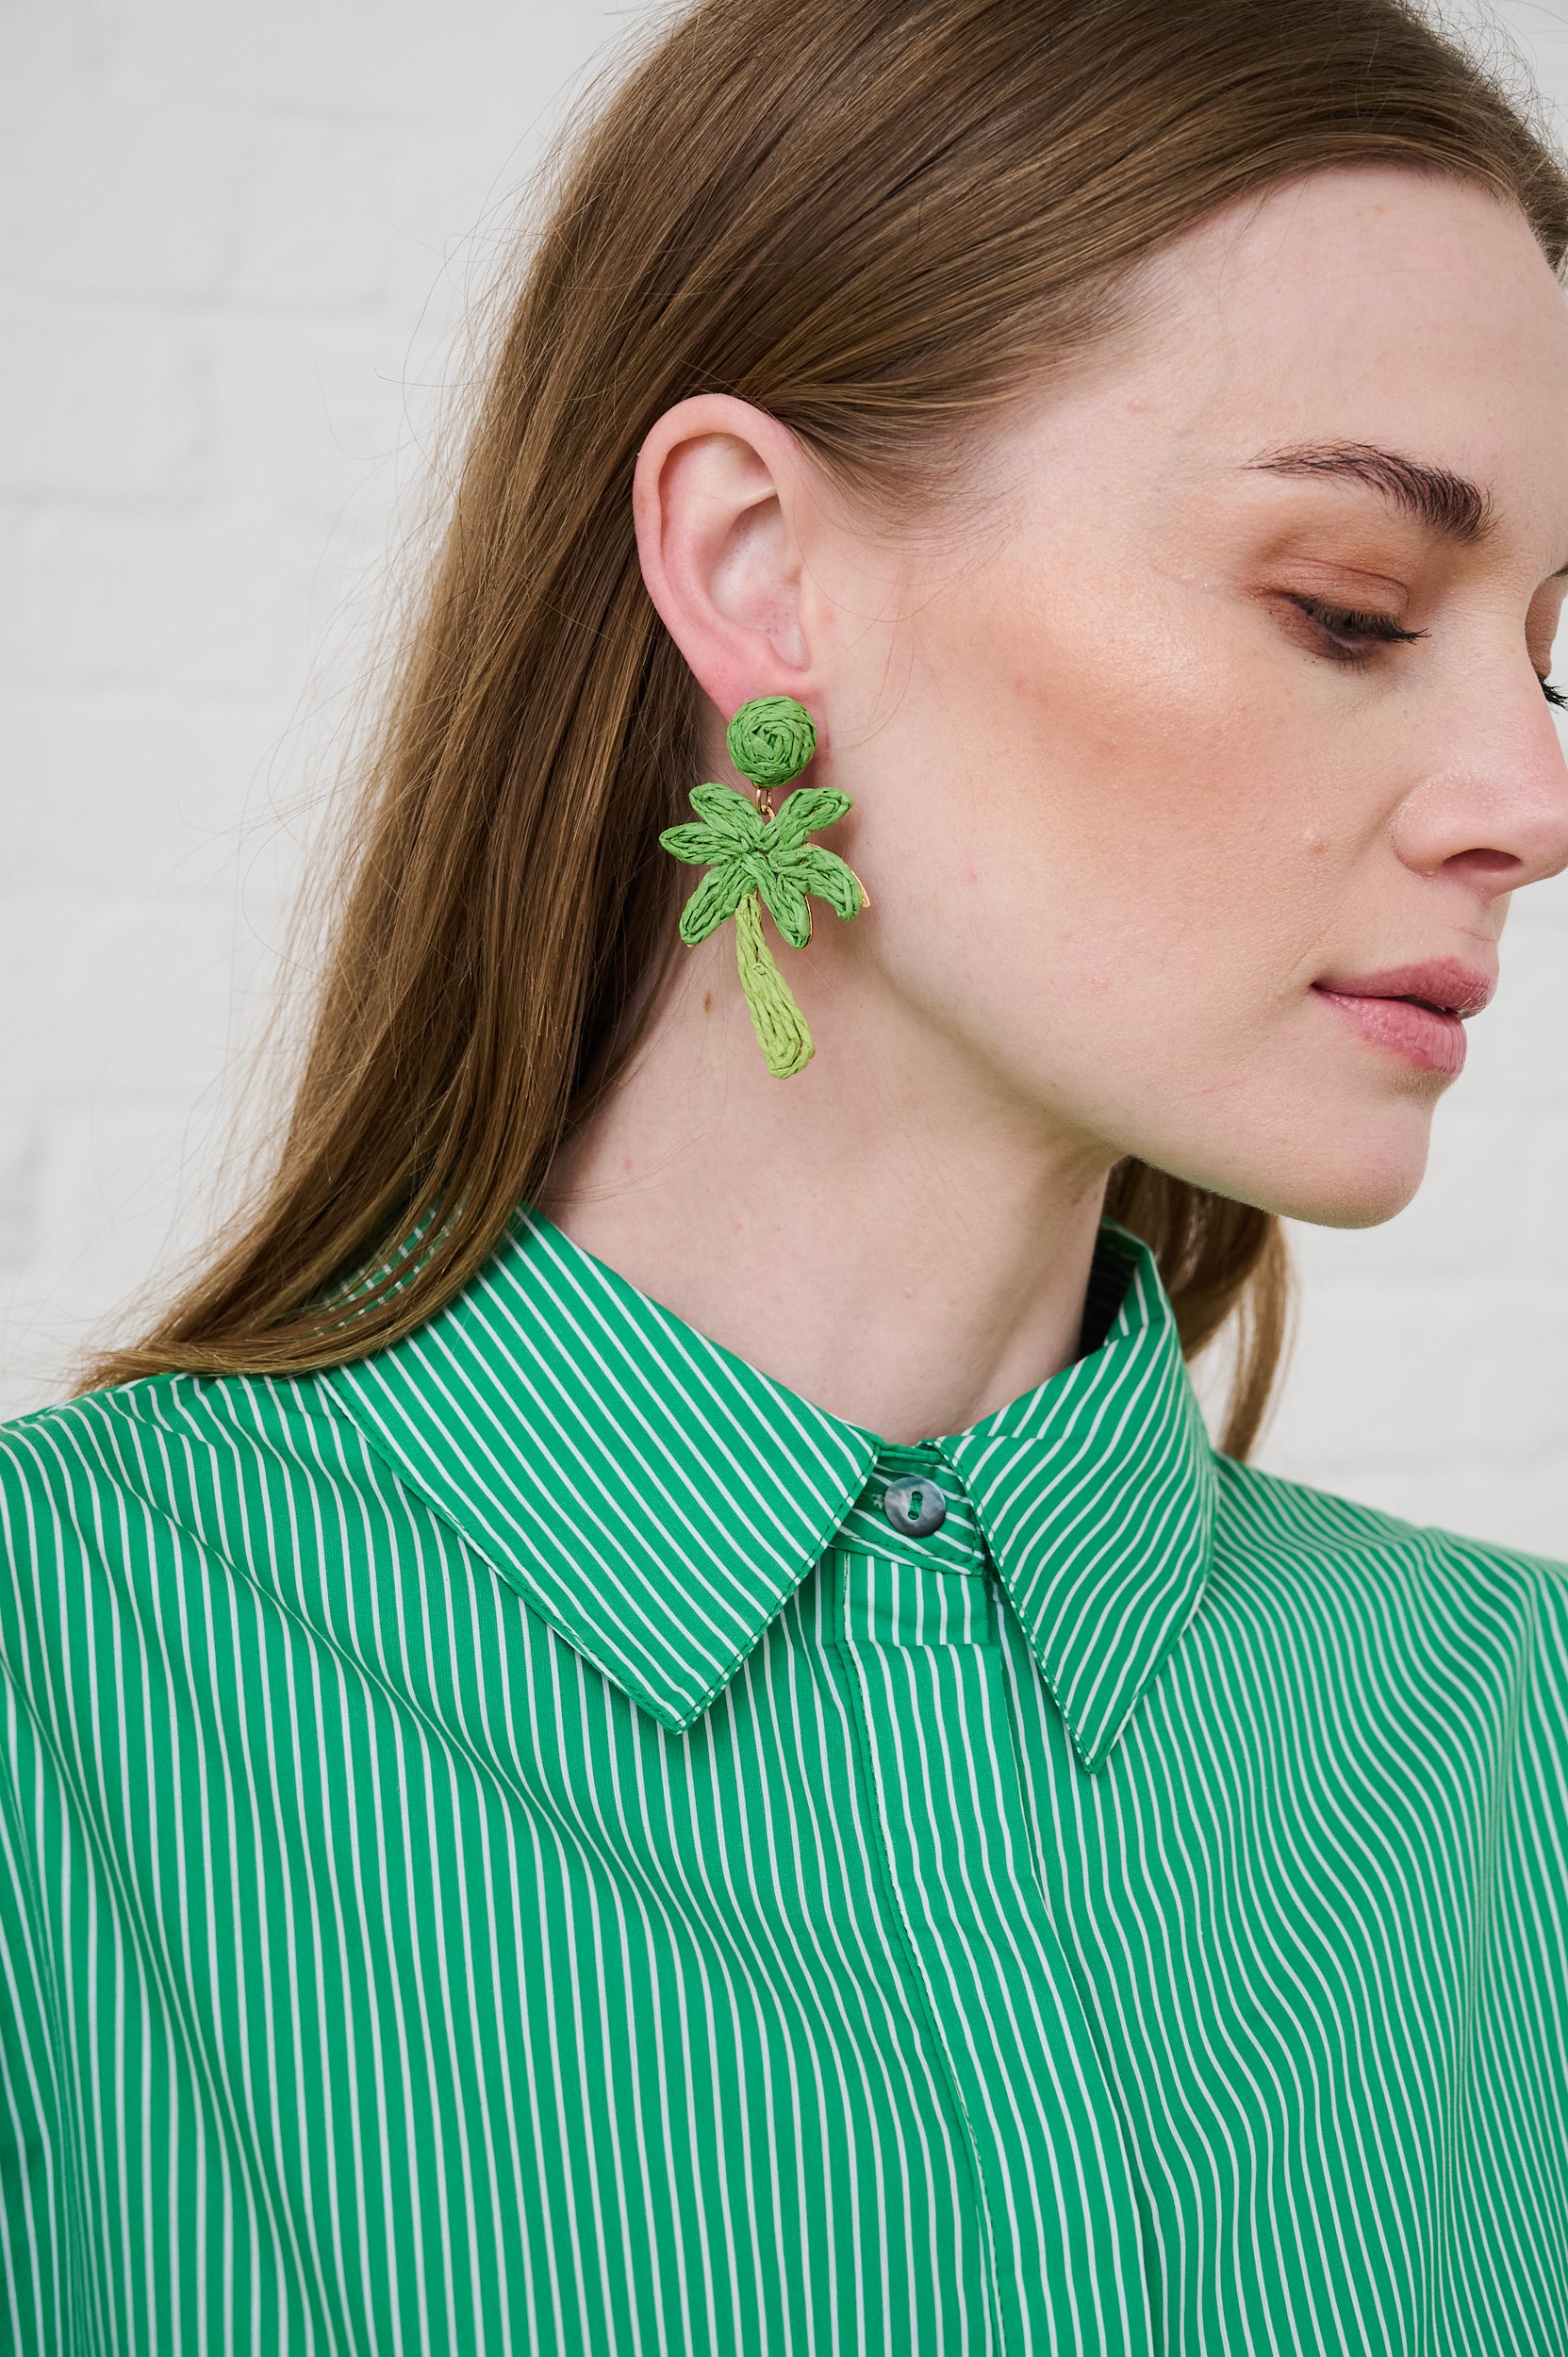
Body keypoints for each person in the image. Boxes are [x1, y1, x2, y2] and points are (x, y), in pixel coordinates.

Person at [6, 0, 1568, 2347]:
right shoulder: (63, 1693)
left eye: (1547, 655)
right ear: (757, 567)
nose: (1523, 802)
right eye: (1346, 606)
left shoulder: (1509, 1748)